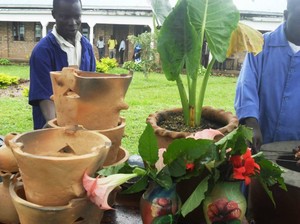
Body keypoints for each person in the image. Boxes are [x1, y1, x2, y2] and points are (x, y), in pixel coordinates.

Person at [234, 0, 300, 152]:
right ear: (286, 15)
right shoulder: (260, 45)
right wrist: (251, 123)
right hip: (260, 142)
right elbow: (246, 85)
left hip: (295, 148)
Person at [29, 0, 96, 130]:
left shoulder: (86, 47)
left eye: (77, 16)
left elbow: (91, 87)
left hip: (81, 126)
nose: (72, 23)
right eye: (65, 17)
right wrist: (53, 123)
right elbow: (43, 95)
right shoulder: (43, 51)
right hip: (51, 128)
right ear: (54, 14)